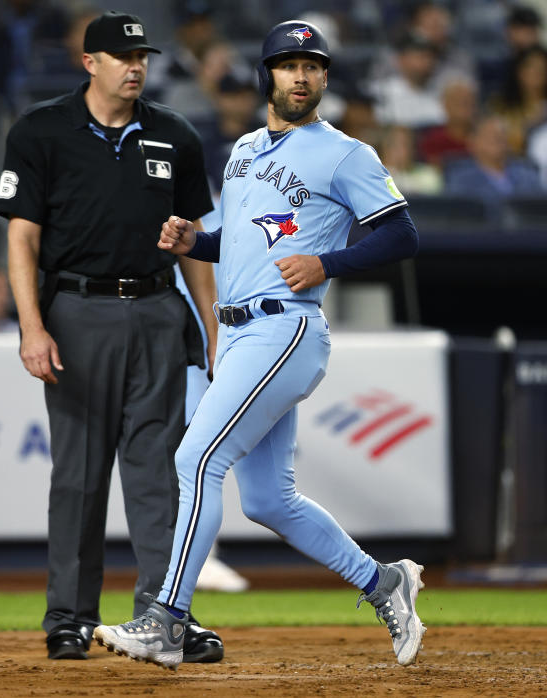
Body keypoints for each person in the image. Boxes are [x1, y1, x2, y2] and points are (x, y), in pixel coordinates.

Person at [94, 19, 425, 670]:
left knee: (196, 460)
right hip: (242, 326)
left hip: (285, 324)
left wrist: (329, 263)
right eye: (288, 64)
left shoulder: (345, 153)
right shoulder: (244, 148)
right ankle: (383, 582)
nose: (300, 75)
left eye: (312, 65)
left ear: (326, 77)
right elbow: (240, 242)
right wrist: (196, 244)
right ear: (267, 75)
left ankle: (167, 622)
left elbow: (402, 234)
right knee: (270, 499)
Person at [0, 11, 223, 663]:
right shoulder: (42, 130)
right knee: (80, 474)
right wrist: (31, 326)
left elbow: (191, 241)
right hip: (76, 309)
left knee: (159, 473)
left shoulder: (174, 134)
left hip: (157, 311)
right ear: (88, 61)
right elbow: (21, 235)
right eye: (122, 56)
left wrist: (210, 325)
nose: (136, 66)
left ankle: (164, 614)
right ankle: (68, 615)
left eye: (142, 56)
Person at [444, 113, 544, 215]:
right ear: (473, 141)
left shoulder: (527, 173)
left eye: (502, 134)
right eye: (490, 135)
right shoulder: (459, 177)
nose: (498, 139)